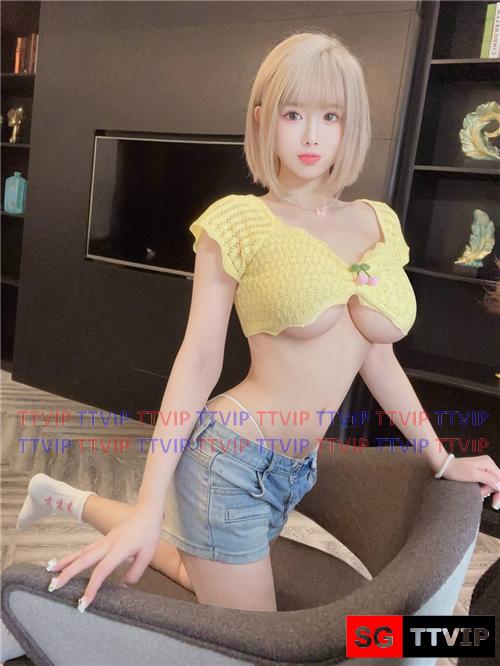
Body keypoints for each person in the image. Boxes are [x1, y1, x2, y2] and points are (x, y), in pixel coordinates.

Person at [13, 30, 500, 623]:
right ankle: (104, 514)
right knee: (260, 637)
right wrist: (147, 503)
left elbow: (377, 358)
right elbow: (198, 362)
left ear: (352, 125)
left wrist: (442, 460)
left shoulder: (377, 222)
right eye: (294, 114)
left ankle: (64, 496)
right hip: (230, 462)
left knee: (196, 568)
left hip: (297, 469)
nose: (312, 135)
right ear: (264, 118)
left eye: (331, 116)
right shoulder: (237, 222)